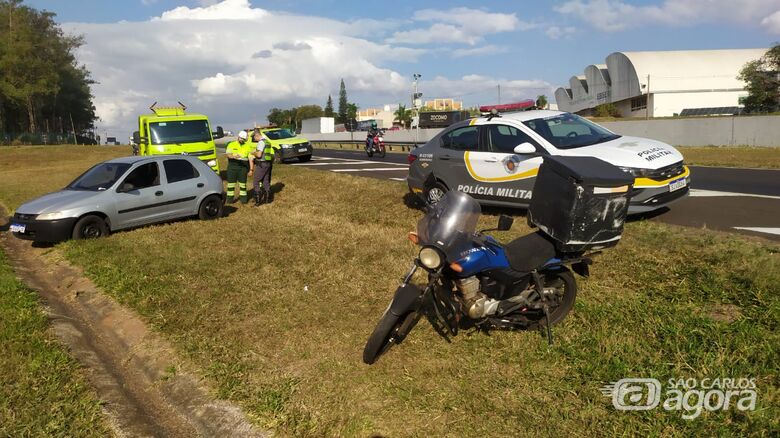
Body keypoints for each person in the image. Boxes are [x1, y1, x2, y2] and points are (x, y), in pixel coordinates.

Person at [225, 130, 254, 204]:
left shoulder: (248, 146)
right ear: (238, 137)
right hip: (232, 166)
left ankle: (243, 200)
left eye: (244, 139)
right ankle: (229, 200)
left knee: (243, 184)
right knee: (231, 184)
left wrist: (251, 170)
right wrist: (233, 156)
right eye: (242, 139)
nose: (242, 140)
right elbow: (228, 154)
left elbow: (250, 159)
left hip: (243, 167)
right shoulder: (231, 144)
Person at [251, 130, 278, 206]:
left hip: (261, 164)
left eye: (254, 137)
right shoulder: (267, 142)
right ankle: (268, 199)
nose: (254, 139)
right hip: (267, 163)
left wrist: (253, 153)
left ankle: (258, 200)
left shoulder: (261, 142)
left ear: (257, 135)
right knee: (265, 181)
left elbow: (259, 155)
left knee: (256, 181)